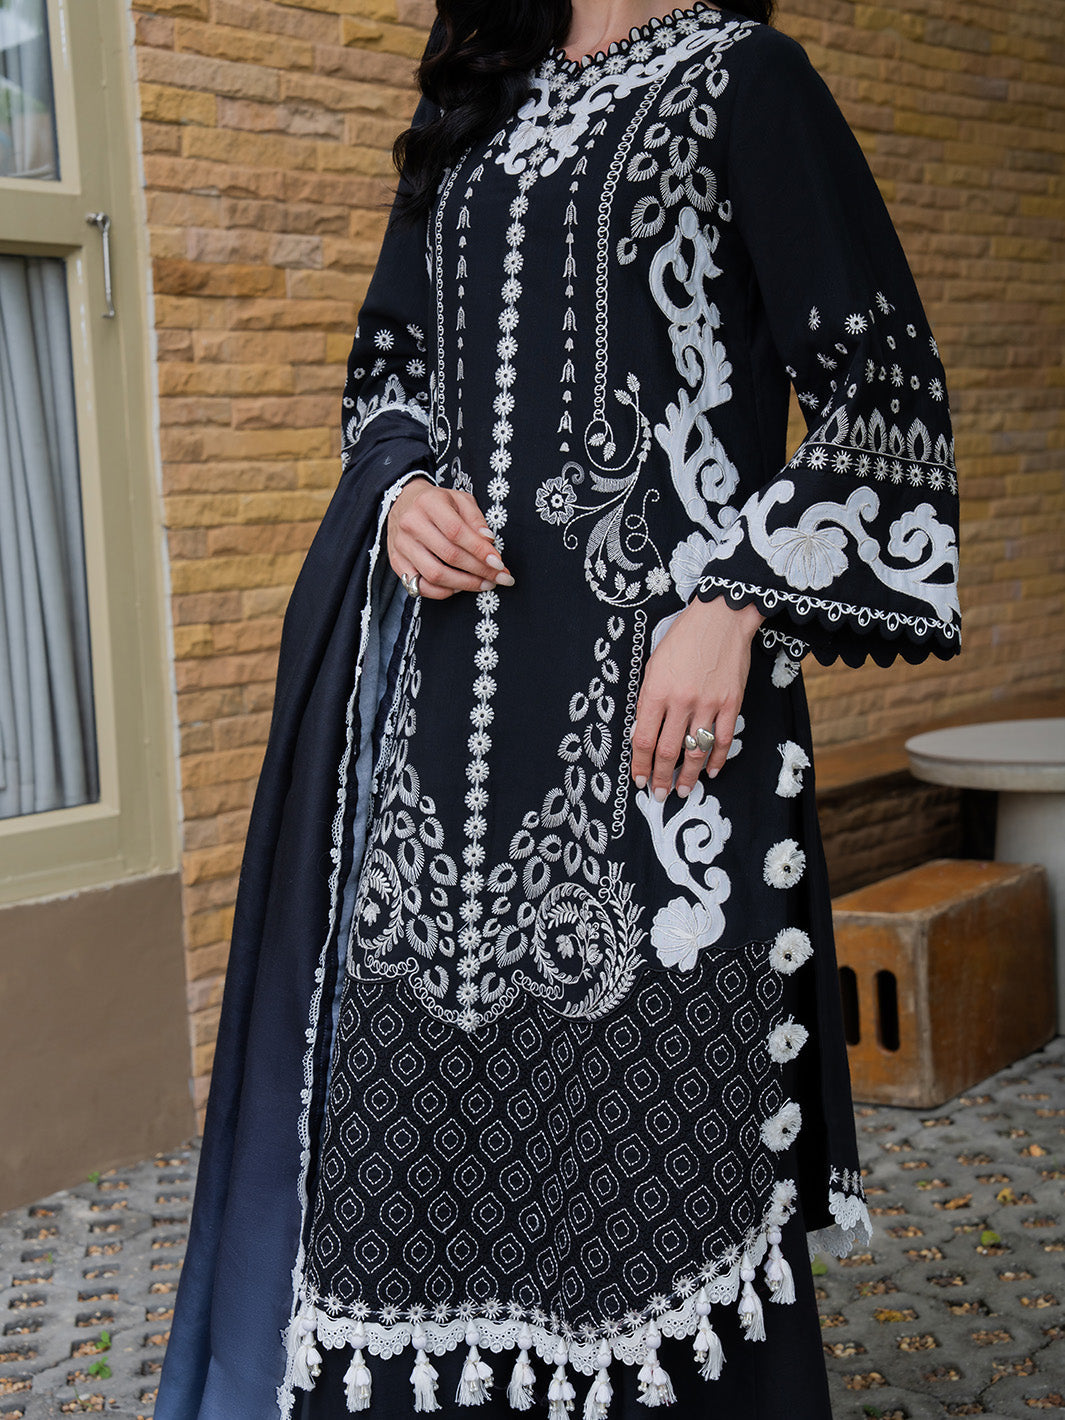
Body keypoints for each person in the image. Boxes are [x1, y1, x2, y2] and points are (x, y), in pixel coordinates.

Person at [156, 2, 961, 1417]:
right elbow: (390, 367)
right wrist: (400, 491)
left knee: (651, 1154)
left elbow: (880, 393)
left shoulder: (746, 81)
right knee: (415, 1156)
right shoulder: (473, 98)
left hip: (663, 739)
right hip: (437, 756)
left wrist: (732, 602)